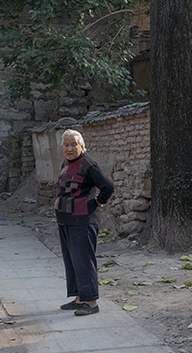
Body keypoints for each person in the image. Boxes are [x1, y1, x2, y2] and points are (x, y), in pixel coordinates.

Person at [54, 129, 114, 316]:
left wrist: (99, 202)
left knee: (83, 261)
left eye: (74, 144)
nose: (70, 148)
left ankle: (91, 301)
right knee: (72, 261)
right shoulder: (67, 163)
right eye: (66, 145)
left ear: (81, 146)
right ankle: (80, 297)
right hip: (67, 221)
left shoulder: (88, 164)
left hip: (83, 221)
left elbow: (107, 186)